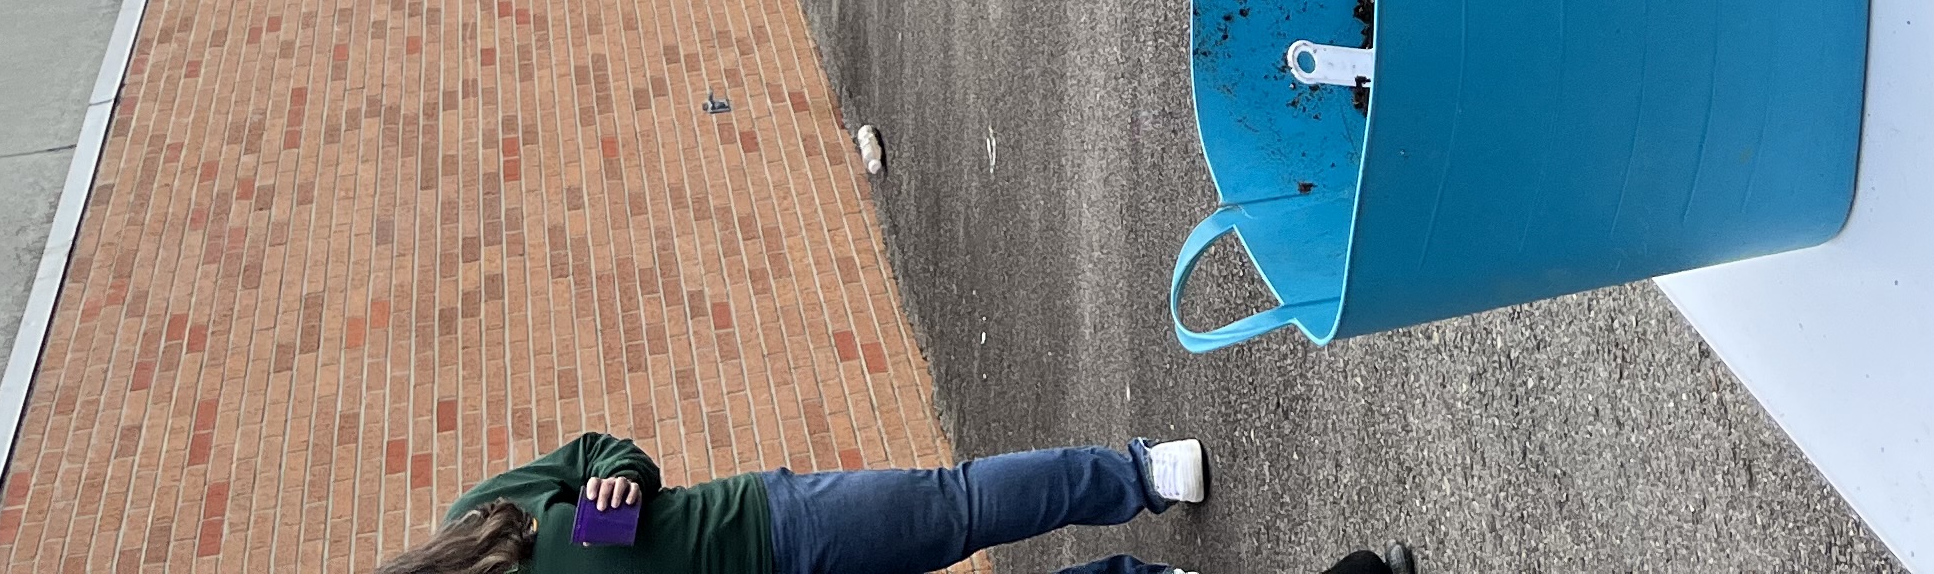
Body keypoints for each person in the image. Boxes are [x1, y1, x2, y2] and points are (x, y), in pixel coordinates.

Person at [378, 428, 1407, 574]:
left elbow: (603, 450)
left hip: (772, 526)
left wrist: (622, 477)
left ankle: (1135, 476)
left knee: (959, 508)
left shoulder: (482, 519)